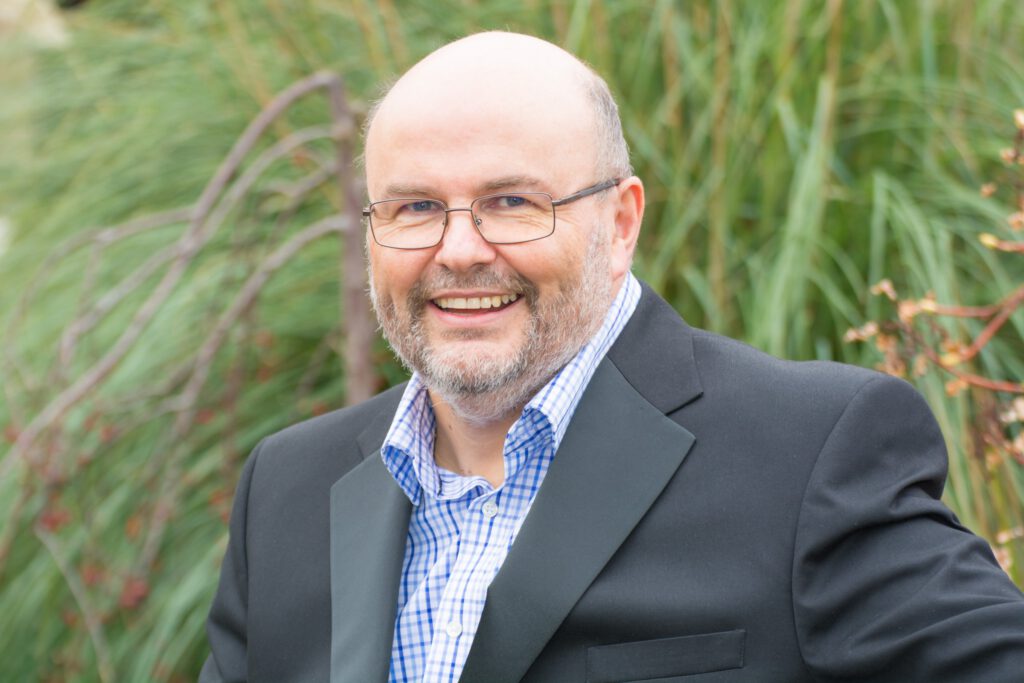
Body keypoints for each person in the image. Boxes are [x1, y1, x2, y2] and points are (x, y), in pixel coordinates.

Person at [199, 31, 1024, 683]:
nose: (458, 249)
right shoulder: (287, 489)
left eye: (511, 201)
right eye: (415, 207)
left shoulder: (808, 453)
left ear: (621, 222)